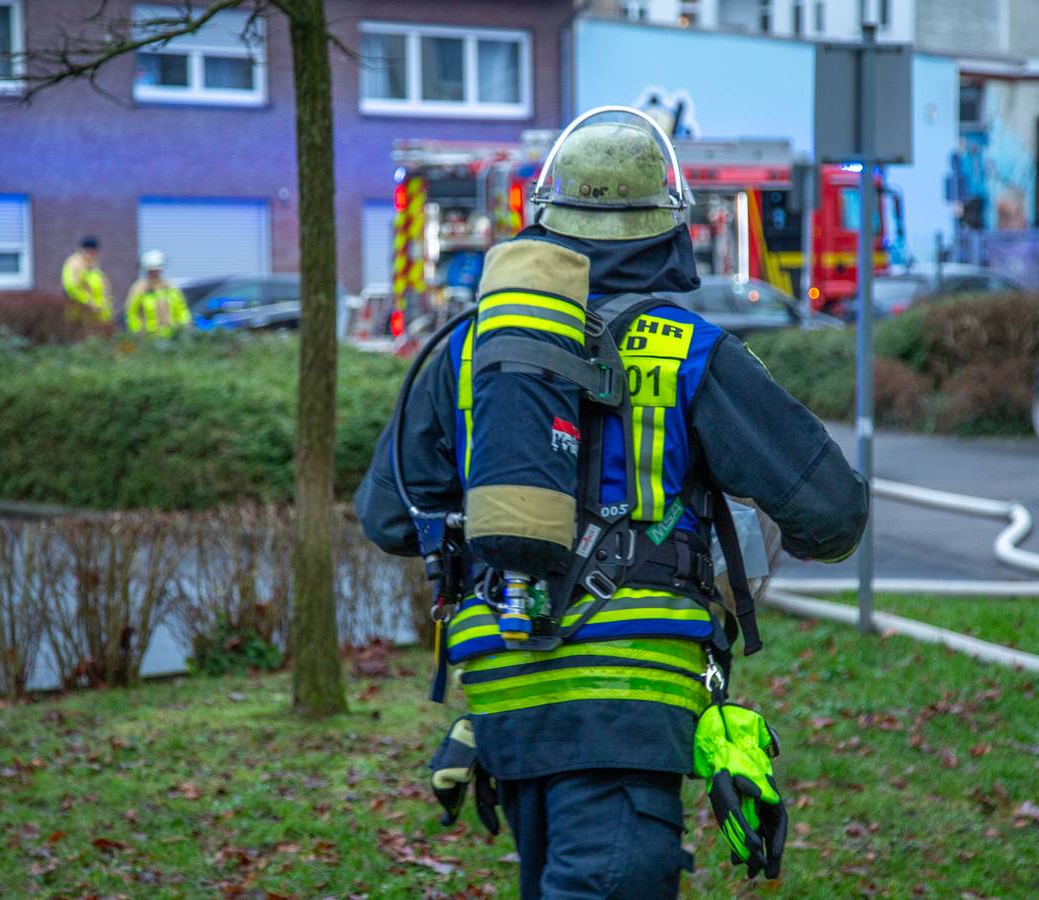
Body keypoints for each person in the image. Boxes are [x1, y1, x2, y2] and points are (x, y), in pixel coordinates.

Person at [355, 106, 869, 898]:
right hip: (628, 702)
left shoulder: (468, 350)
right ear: (670, 232)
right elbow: (833, 514)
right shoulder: (693, 353)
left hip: (504, 704)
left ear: (544, 224)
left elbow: (387, 517)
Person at [125, 250, 191, 337]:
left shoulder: (170, 287)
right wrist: (137, 330)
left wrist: (184, 325)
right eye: (151, 271)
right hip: (149, 337)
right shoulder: (139, 288)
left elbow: (181, 309)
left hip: (172, 336)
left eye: (157, 270)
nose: (154, 273)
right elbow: (131, 313)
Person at [61, 236, 112, 323]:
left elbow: (103, 288)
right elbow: (72, 288)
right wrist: (89, 303)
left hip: (99, 317)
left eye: (93, 252)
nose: (91, 255)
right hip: (81, 316)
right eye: (88, 251)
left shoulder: (94, 266)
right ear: (81, 250)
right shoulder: (74, 264)